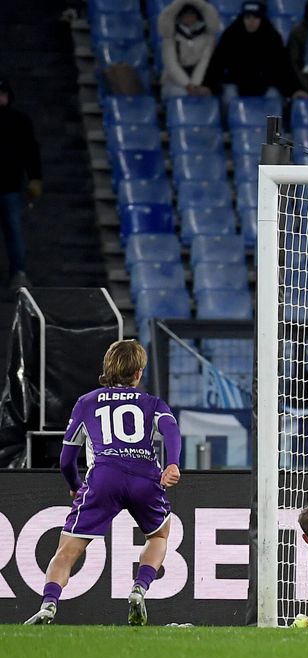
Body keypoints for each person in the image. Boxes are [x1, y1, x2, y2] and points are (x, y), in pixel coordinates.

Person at [24, 340, 182, 626]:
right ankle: (139, 589)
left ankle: (48, 604)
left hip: (104, 478)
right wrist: (172, 463)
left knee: (67, 551)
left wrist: (74, 485)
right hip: (145, 477)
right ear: (138, 374)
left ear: (107, 369)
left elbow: (66, 459)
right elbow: (171, 428)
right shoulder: (151, 403)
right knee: (159, 536)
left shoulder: (87, 403)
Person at [204, 1, 304, 107]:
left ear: (261, 19)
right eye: (247, 17)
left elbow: (284, 67)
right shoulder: (231, 36)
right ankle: (232, 124)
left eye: (255, 18)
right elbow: (217, 63)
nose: (251, 21)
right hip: (236, 84)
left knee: (274, 98)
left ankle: (273, 124)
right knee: (229, 95)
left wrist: (294, 90)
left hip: (265, 86)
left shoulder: (272, 38)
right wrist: (208, 86)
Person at [0, 77, 40, 290]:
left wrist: (35, 178)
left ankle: (18, 273)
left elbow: (31, 152)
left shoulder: (20, 121)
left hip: (11, 187)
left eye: (2, 93)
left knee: (14, 232)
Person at [158, 0, 220, 98]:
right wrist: (187, 84)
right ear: (180, 15)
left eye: (192, 14)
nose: (189, 17)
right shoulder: (170, 36)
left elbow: (205, 61)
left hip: (200, 78)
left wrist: (195, 84)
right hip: (174, 81)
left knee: (206, 94)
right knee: (182, 94)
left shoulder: (207, 36)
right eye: (186, 14)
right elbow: (171, 64)